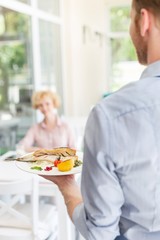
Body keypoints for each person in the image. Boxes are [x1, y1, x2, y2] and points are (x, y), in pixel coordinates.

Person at [41, 1, 160, 239]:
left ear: (144, 20)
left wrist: (67, 187)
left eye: (130, 18)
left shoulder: (111, 115)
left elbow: (100, 233)